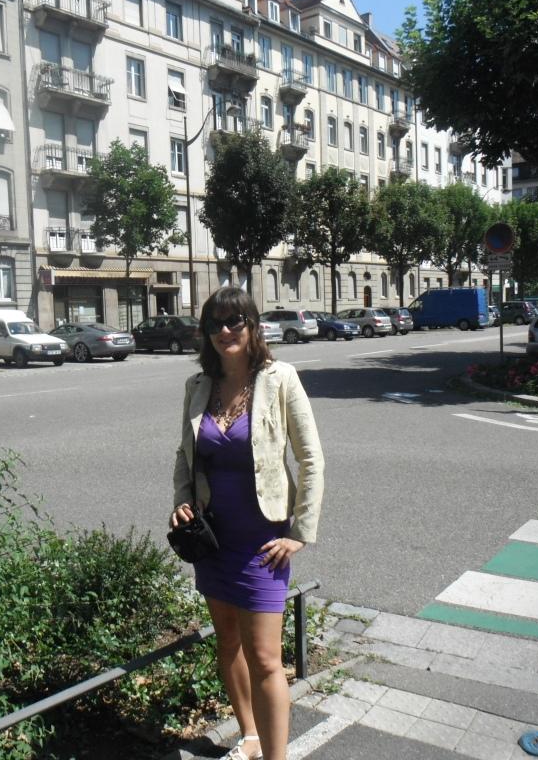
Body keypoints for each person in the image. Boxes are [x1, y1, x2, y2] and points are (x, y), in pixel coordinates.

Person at [171, 287, 324, 760]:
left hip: (262, 541)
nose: (224, 331)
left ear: (252, 326)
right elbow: (185, 455)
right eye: (214, 324)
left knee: (265, 659)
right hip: (212, 539)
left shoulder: (280, 379)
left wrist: (299, 534)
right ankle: (250, 736)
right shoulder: (198, 386)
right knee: (228, 643)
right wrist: (181, 502)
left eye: (234, 321)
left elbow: (311, 459)